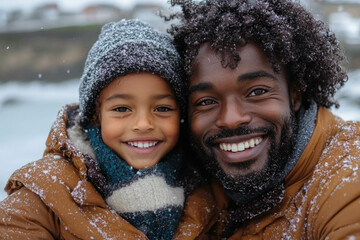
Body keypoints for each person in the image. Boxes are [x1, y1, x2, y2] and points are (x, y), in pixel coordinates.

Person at [167, 0, 360, 239]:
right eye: (206, 101)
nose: (231, 119)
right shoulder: (186, 183)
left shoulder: (348, 170)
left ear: (295, 94)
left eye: (257, 92)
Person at [0, 19, 193, 240]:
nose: (143, 124)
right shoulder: (47, 191)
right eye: (122, 108)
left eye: (162, 108)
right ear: (95, 116)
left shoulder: (203, 186)